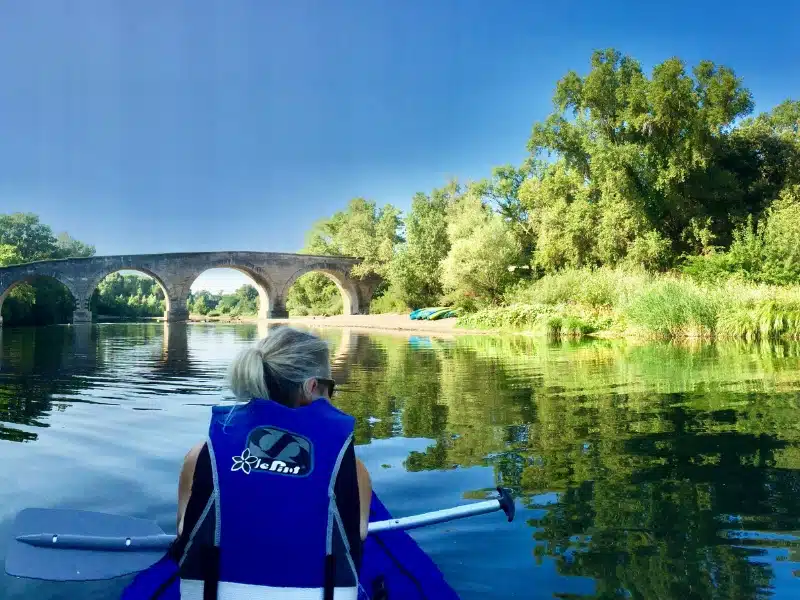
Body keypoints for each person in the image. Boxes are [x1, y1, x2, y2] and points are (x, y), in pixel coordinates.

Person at [172, 326, 372, 599]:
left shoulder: (199, 456)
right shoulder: (352, 468)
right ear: (312, 388)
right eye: (330, 388)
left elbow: (185, 529)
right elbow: (356, 535)